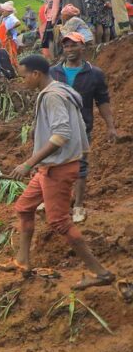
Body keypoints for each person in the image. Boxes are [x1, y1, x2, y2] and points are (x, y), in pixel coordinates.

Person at [7, 55, 114, 290]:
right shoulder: (57, 89)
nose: (22, 80)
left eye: (24, 75)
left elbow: (61, 135)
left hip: (59, 167)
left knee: (59, 222)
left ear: (36, 74)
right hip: (50, 167)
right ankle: (22, 260)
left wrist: (28, 163)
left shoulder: (53, 97)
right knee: (24, 208)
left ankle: (101, 273)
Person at [48, 33, 119, 223]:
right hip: (56, 127)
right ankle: (59, 201)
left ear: (83, 47)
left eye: (74, 46)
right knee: (55, 164)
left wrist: (110, 126)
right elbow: (45, 99)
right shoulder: (54, 72)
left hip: (82, 126)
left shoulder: (94, 74)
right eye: (67, 46)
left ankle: (78, 205)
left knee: (80, 166)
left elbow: (102, 100)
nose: (69, 50)